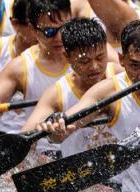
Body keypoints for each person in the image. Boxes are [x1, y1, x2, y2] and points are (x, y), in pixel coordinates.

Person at [39, 20, 140, 192]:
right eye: (135, 66)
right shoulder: (108, 91)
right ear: (122, 60)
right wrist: (55, 130)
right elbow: (67, 123)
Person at [0, 0, 73, 158]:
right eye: (50, 32)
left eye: (66, 28)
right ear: (34, 29)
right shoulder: (20, 67)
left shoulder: (90, 53)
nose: (59, 37)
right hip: (41, 152)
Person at [21, 17, 121, 158]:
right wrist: (46, 131)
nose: (94, 67)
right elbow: (26, 135)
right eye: (84, 61)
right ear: (66, 57)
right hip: (82, 172)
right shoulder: (56, 94)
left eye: (100, 57)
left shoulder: (119, 75)